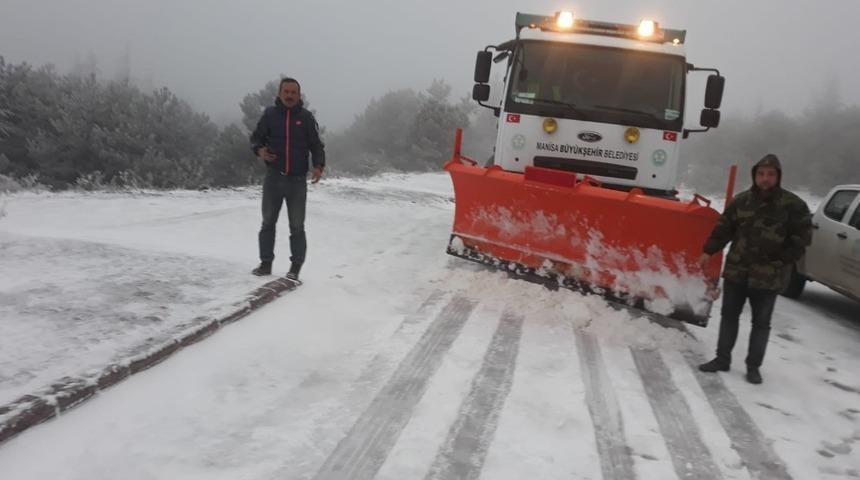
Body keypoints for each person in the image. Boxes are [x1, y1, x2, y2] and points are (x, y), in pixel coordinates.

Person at [697, 154, 812, 384]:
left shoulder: (793, 206)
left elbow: (802, 240)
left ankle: (753, 367)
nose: (765, 179)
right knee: (729, 316)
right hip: (737, 271)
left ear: (778, 177)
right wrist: (708, 251)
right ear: (755, 175)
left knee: (761, 324)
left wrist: (781, 260)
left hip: (768, 277)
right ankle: (722, 359)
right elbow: (724, 229)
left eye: (770, 174)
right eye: (761, 174)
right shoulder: (741, 201)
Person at [250, 77, 325, 280]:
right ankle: (265, 264)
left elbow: (317, 145)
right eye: (286, 92)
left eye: (294, 92)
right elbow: (255, 139)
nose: (290, 95)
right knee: (267, 223)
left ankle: (295, 268)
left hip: (297, 181)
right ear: (279, 94)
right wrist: (261, 151)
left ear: (299, 95)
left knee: (297, 226)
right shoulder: (269, 115)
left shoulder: (306, 118)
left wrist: (318, 166)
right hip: (274, 178)